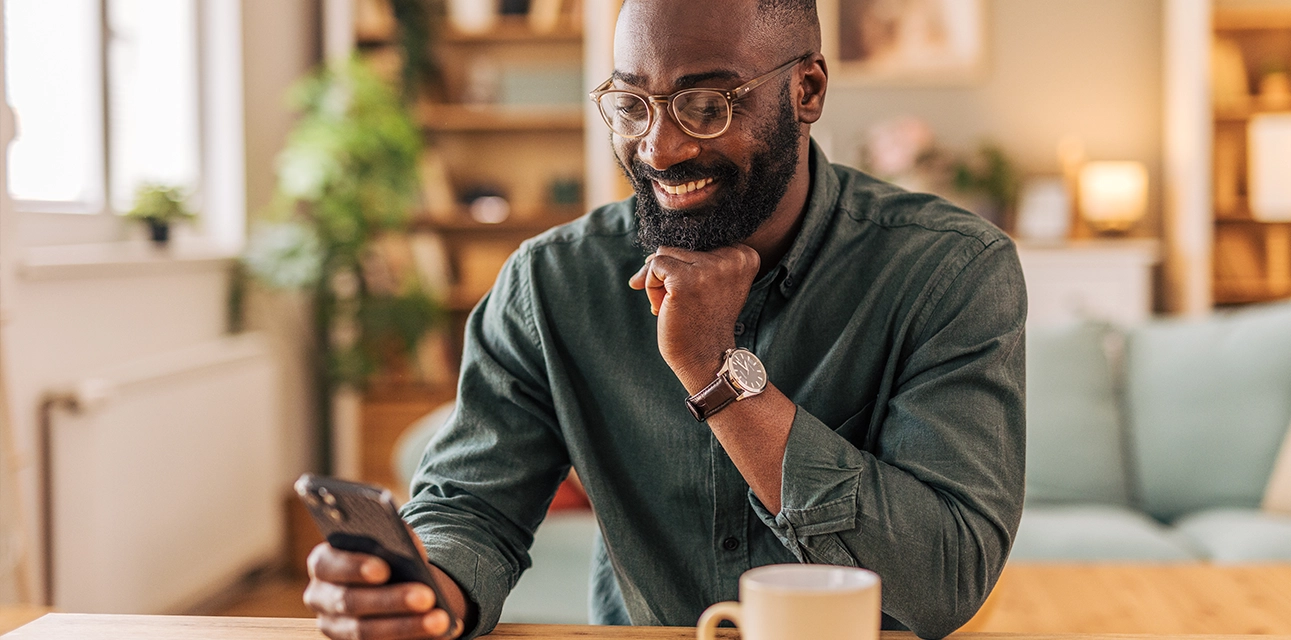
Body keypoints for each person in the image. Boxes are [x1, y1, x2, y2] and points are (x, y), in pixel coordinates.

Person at [303, 0, 1026, 638]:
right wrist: (421, 593)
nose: (659, 147)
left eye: (706, 104)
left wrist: (718, 374)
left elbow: (946, 580)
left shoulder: (948, 270)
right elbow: (469, 510)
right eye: (630, 105)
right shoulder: (551, 282)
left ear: (806, 89)